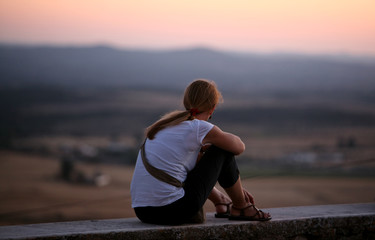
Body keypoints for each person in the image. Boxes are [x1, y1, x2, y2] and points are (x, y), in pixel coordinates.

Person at [130, 79, 271, 225]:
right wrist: (214, 143)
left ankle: (221, 202)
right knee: (222, 149)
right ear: (213, 107)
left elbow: (190, 174)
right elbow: (238, 147)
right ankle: (242, 207)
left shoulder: (164, 127)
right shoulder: (197, 128)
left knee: (200, 157)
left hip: (143, 212)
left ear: (186, 102)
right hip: (173, 210)